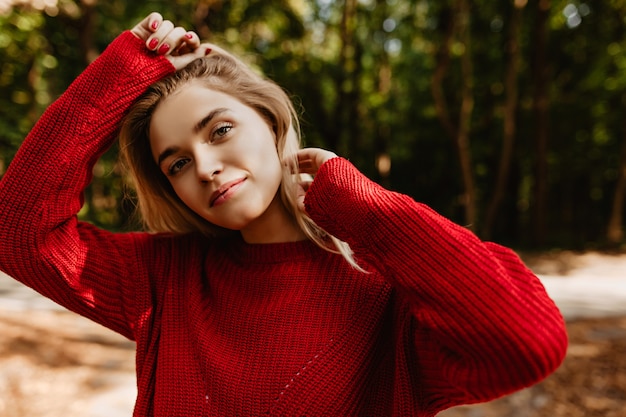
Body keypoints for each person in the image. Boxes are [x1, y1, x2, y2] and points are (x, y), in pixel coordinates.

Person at [0, 12, 567, 417]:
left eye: (220, 130)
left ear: (271, 125)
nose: (204, 167)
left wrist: (364, 211)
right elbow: (17, 232)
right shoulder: (162, 278)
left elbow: (528, 343)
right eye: (175, 164)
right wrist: (121, 72)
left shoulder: (387, 292)